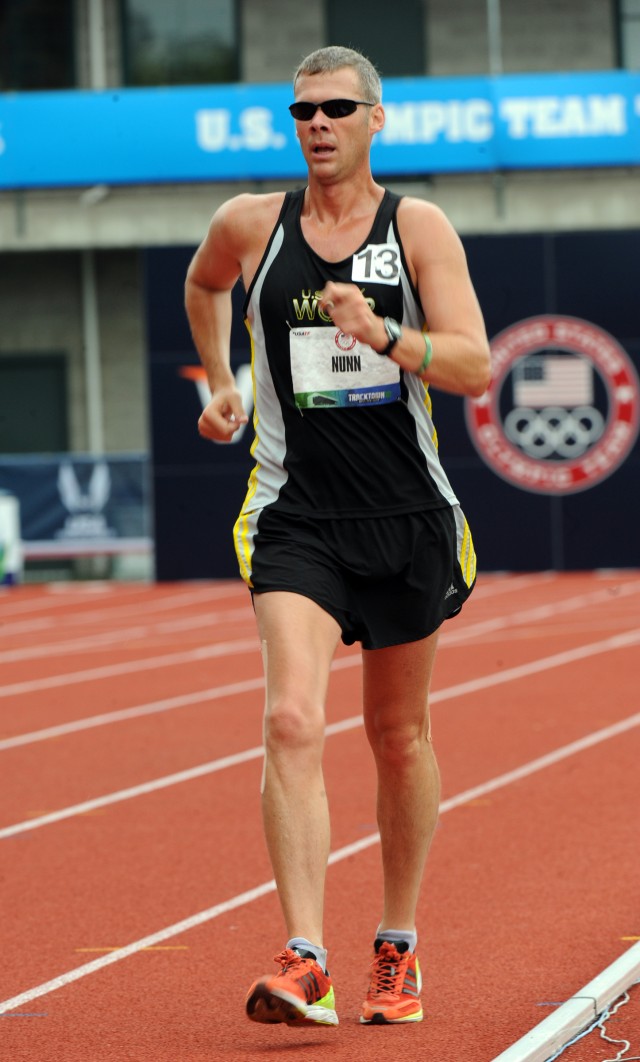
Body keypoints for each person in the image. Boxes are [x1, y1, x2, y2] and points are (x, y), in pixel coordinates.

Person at [185, 45, 491, 1028]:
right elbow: (204, 285)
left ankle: (395, 945)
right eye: (302, 111)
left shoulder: (418, 227)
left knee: (397, 737)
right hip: (296, 516)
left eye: (337, 109)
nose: (317, 124)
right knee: (290, 719)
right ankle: (305, 955)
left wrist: (383, 334)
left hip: (407, 518)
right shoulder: (251, 224)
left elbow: (476, 365)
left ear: (374, 118)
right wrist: (223, 382)